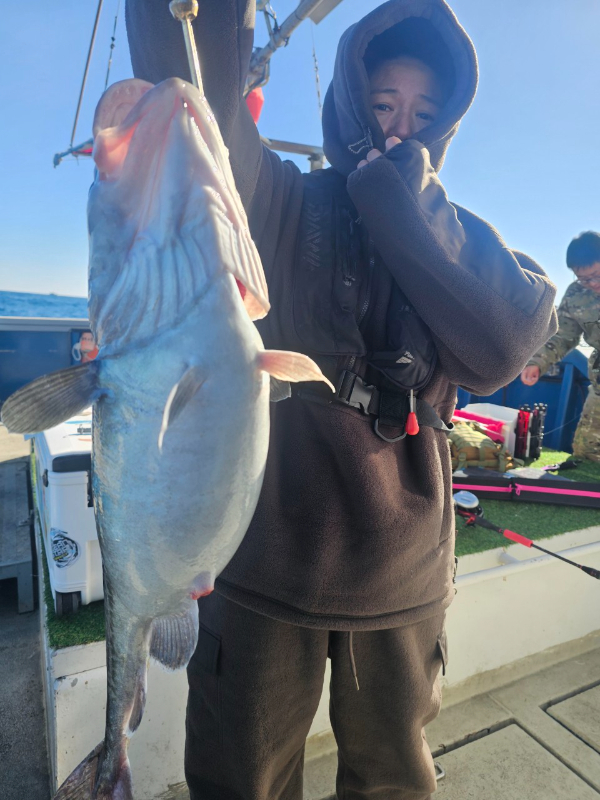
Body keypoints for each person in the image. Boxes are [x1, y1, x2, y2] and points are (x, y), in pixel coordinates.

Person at [126, 2, 557, 798]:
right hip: (261, 565)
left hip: (402, 577)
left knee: (393, 780)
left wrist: (398, 193)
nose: (399, 127)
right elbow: (195, 107)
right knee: (239, 780)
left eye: (422, 114)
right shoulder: (280, 200)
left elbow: (504, 346)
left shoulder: (457, 238)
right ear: (351, 104)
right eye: (382, 104)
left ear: (446, 127)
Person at [522, 231, 600, 462]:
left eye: (596, 275)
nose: (593, 284)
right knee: (587, 451)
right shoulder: (575, 294)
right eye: (584, 279)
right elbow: (563, 336)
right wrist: (537, 362)